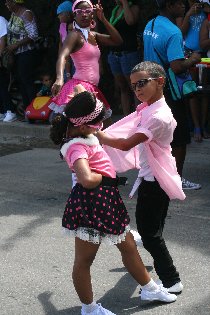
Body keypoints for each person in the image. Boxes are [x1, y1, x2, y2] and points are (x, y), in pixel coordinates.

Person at [49, 83, 177, 315]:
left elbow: (79, 90)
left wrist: (80, 95)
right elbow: (86, 179)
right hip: (91, 203)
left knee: (127, 245)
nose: (102, 125)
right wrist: (103, 178)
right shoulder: (76, 146)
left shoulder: (82, 130)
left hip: (105, 201)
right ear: (86, 124)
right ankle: (89, 309)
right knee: (84, 260)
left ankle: (148, 287)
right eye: (98, 121)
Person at [97, 61, 185, 294]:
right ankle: (148, 247)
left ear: (160, 82)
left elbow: (127, 143)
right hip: (156, 177)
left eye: (142, 83)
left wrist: (99, 136)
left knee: (150, 235)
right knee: (154, 227)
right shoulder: (150, 108)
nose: (137, 90)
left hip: (155, 181)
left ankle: (171, 280)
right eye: (134, 85)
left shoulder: (158, 116)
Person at [143, 0, 202, 190]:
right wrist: (192, 59)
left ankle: (155, 175)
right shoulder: (173, 31)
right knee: (179, 135)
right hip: (168, 89)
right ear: (169, 5)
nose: (183, 5)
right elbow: (176, 67)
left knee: (157, 135)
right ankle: (176, 180)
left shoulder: (150, 24)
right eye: (179, 3)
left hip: (150, 86)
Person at [50, 0, 123, 128]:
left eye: (88, 11)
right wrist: (59, 78)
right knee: (86, 128)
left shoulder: (93, 35)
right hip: (80, 87)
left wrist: (103, 19)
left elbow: (118, 41)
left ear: (92, 15)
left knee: (103, 128)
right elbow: (62, 56)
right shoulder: (74, 35)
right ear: (74, 15)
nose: (84, 14)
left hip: (92, 88)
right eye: (79, 12)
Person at [176, 0, 210, 142]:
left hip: (205, 54)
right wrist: (189, 14)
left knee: (206, 91)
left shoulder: (206, 10)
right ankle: (196, 126)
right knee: (192, 92)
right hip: (189, 54)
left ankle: (204, 126)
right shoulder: (181, 11)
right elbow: (180, 33)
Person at [5, 0, 38, 115]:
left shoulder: (26, 13)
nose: (6, 4)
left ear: (15, 2)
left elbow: (33, 34)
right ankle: (27, 111)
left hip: (26, 53)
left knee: (27, 81)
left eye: (8, 2)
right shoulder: (14, 14)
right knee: (20, 81)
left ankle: (34, 111)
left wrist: (16, 45)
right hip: (16, 54)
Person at [107, 0, 140, 115]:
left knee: (134, 87)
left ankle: (138, 117)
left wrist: (125, 2)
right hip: (115, 54)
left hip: (129, 53)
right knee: (123, 88)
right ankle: (126, 117)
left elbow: (130, 21)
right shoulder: (115, 10)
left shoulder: (134, 8)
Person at [0, 15, 17, 122]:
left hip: (3, 58)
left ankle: (10, 110)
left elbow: (3, 39)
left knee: (2, 85)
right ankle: (2, 111)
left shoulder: (0, 20)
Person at [57, 1, 75, 81]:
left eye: (60, 14)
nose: (58, 17)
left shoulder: (76, 26)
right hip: (65, 59)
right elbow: (61, 43)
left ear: (68, 14)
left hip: (75, 60)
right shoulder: (62, 26)